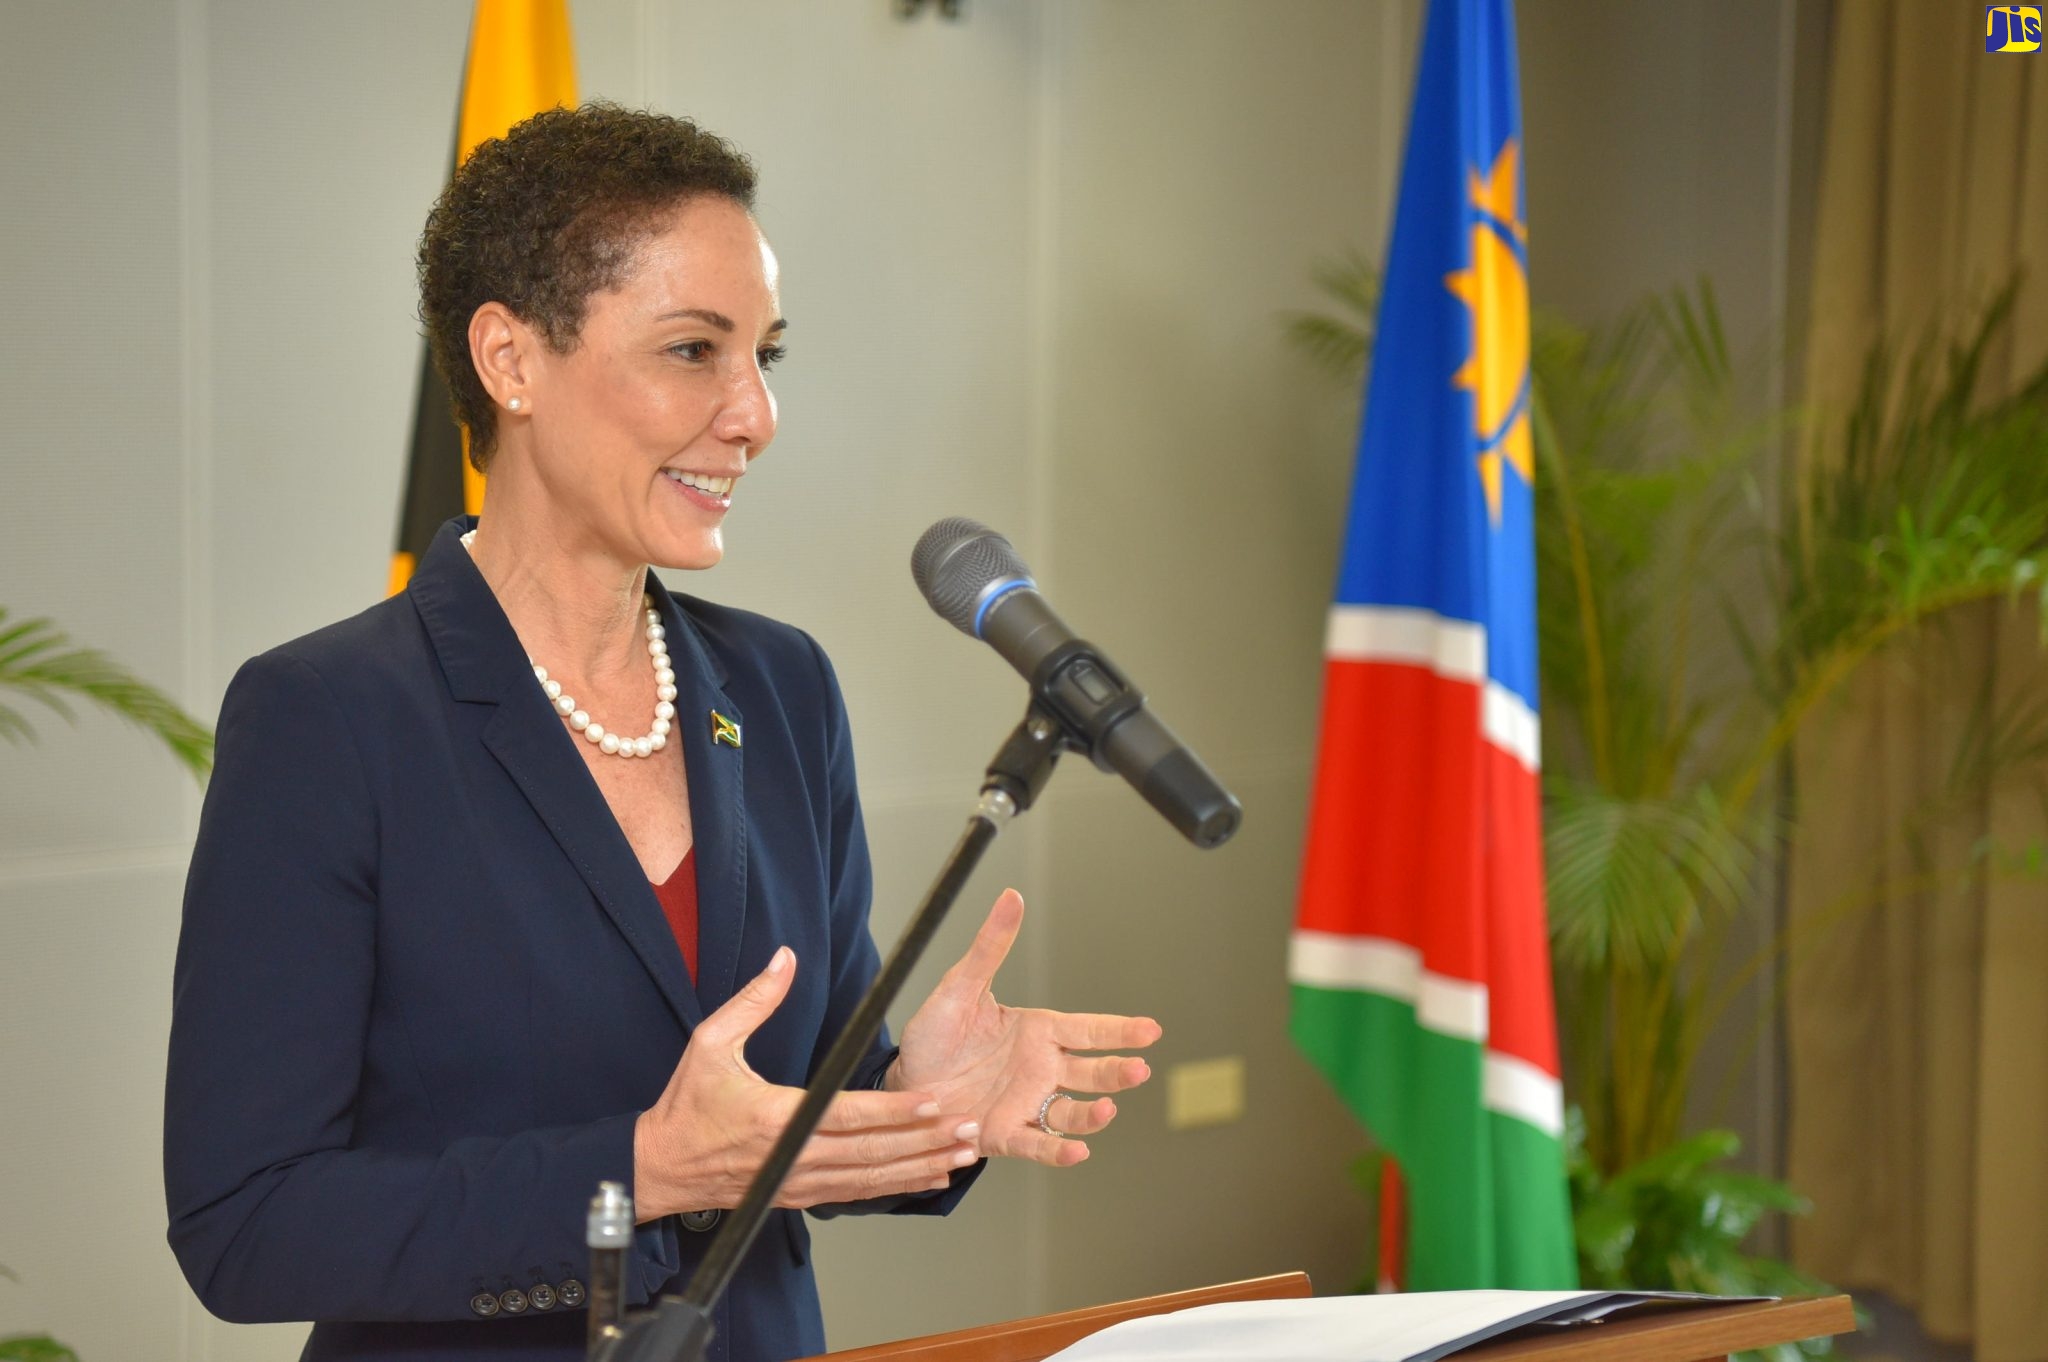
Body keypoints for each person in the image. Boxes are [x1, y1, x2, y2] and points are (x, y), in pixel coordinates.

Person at [163, 103, 1161, 1362]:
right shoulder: (328, 719)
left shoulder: (783, 685)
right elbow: (245, 1225)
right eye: (693, 350)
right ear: (510, 360)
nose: (754, 413)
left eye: (765, 355)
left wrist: (914, 1101)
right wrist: (639, 1171)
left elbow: (778, 1134)